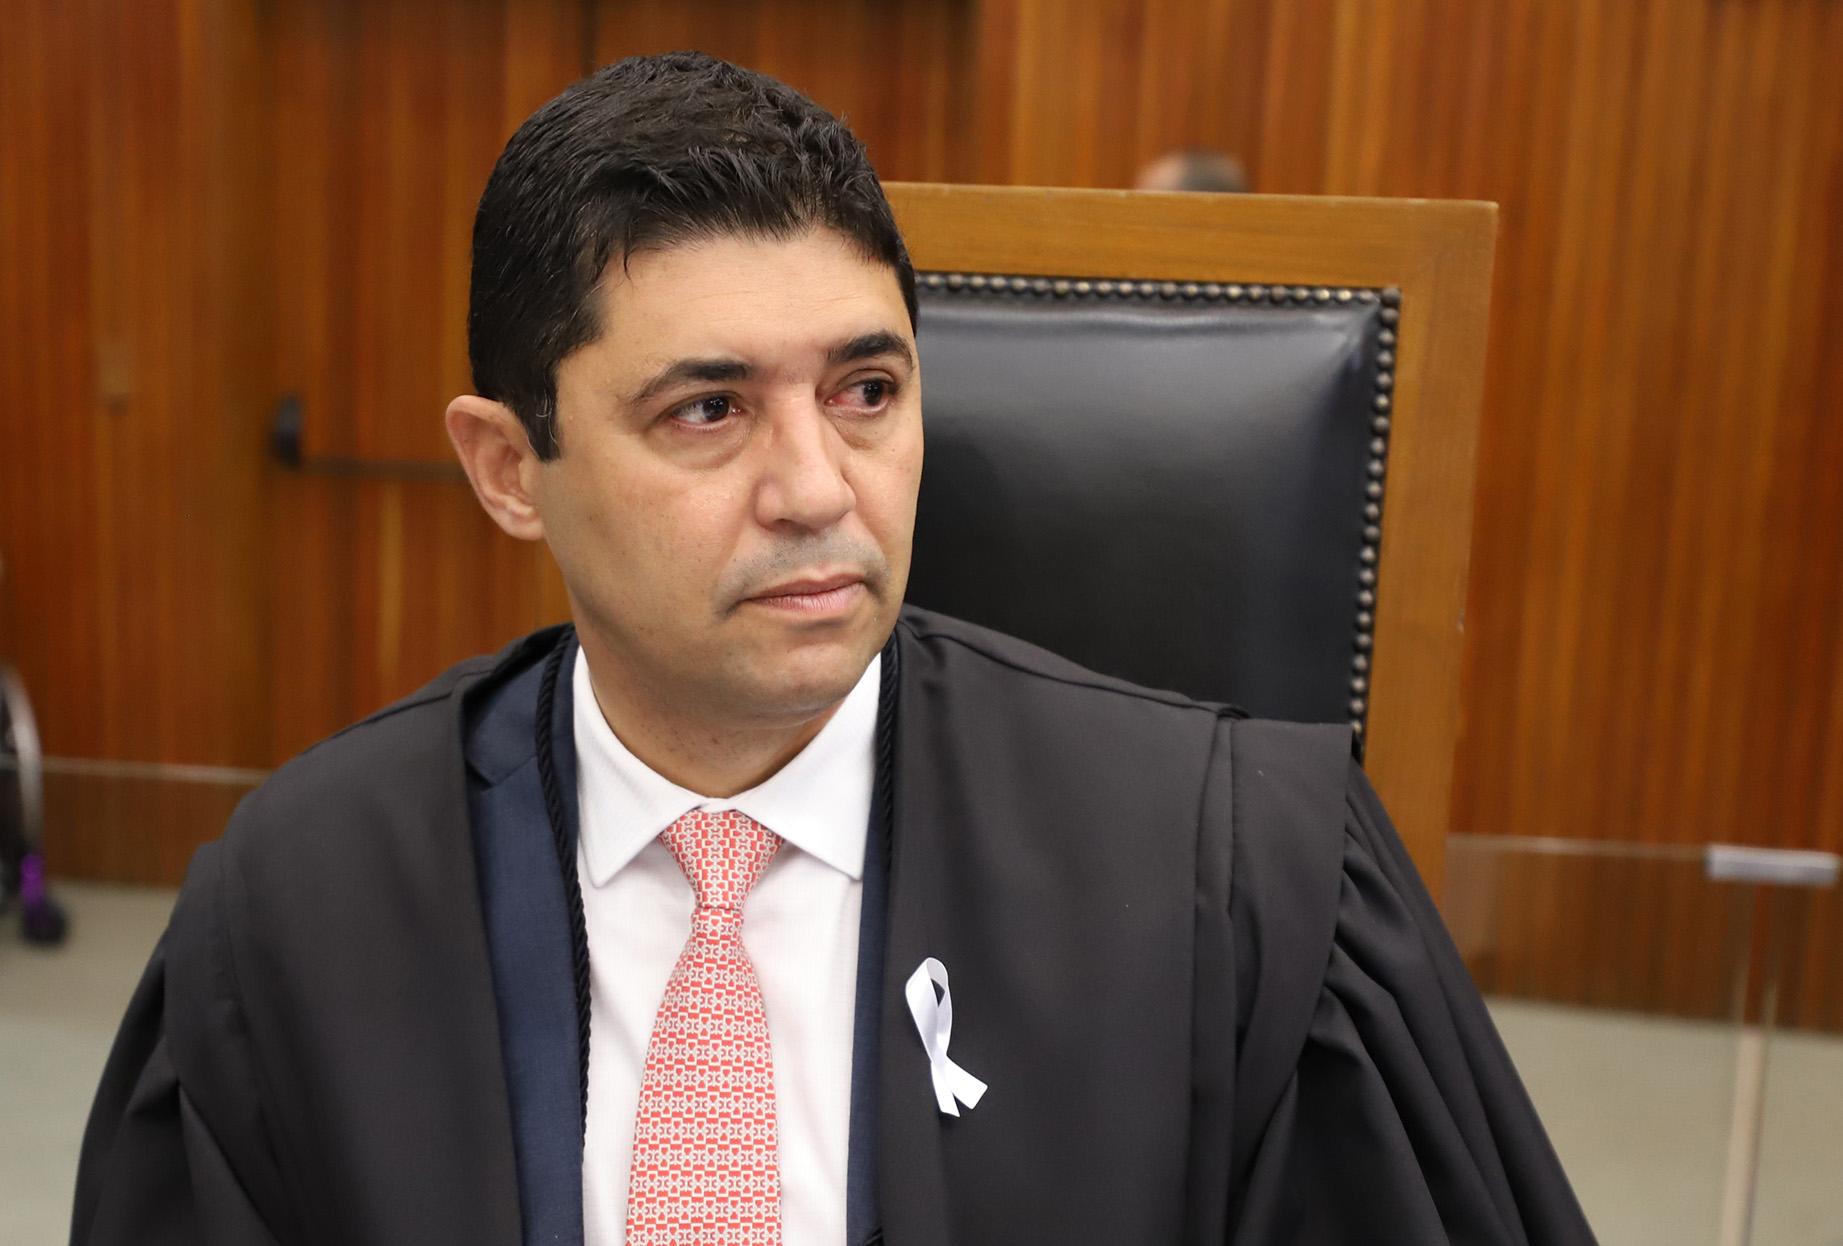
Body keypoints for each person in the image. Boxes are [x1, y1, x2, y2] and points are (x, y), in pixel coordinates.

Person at [72, 52, 1594, 1246]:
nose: (816, 489)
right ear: (509, 468)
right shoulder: (299, 912)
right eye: (708, 409)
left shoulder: (1237, 883)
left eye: (867, 392)